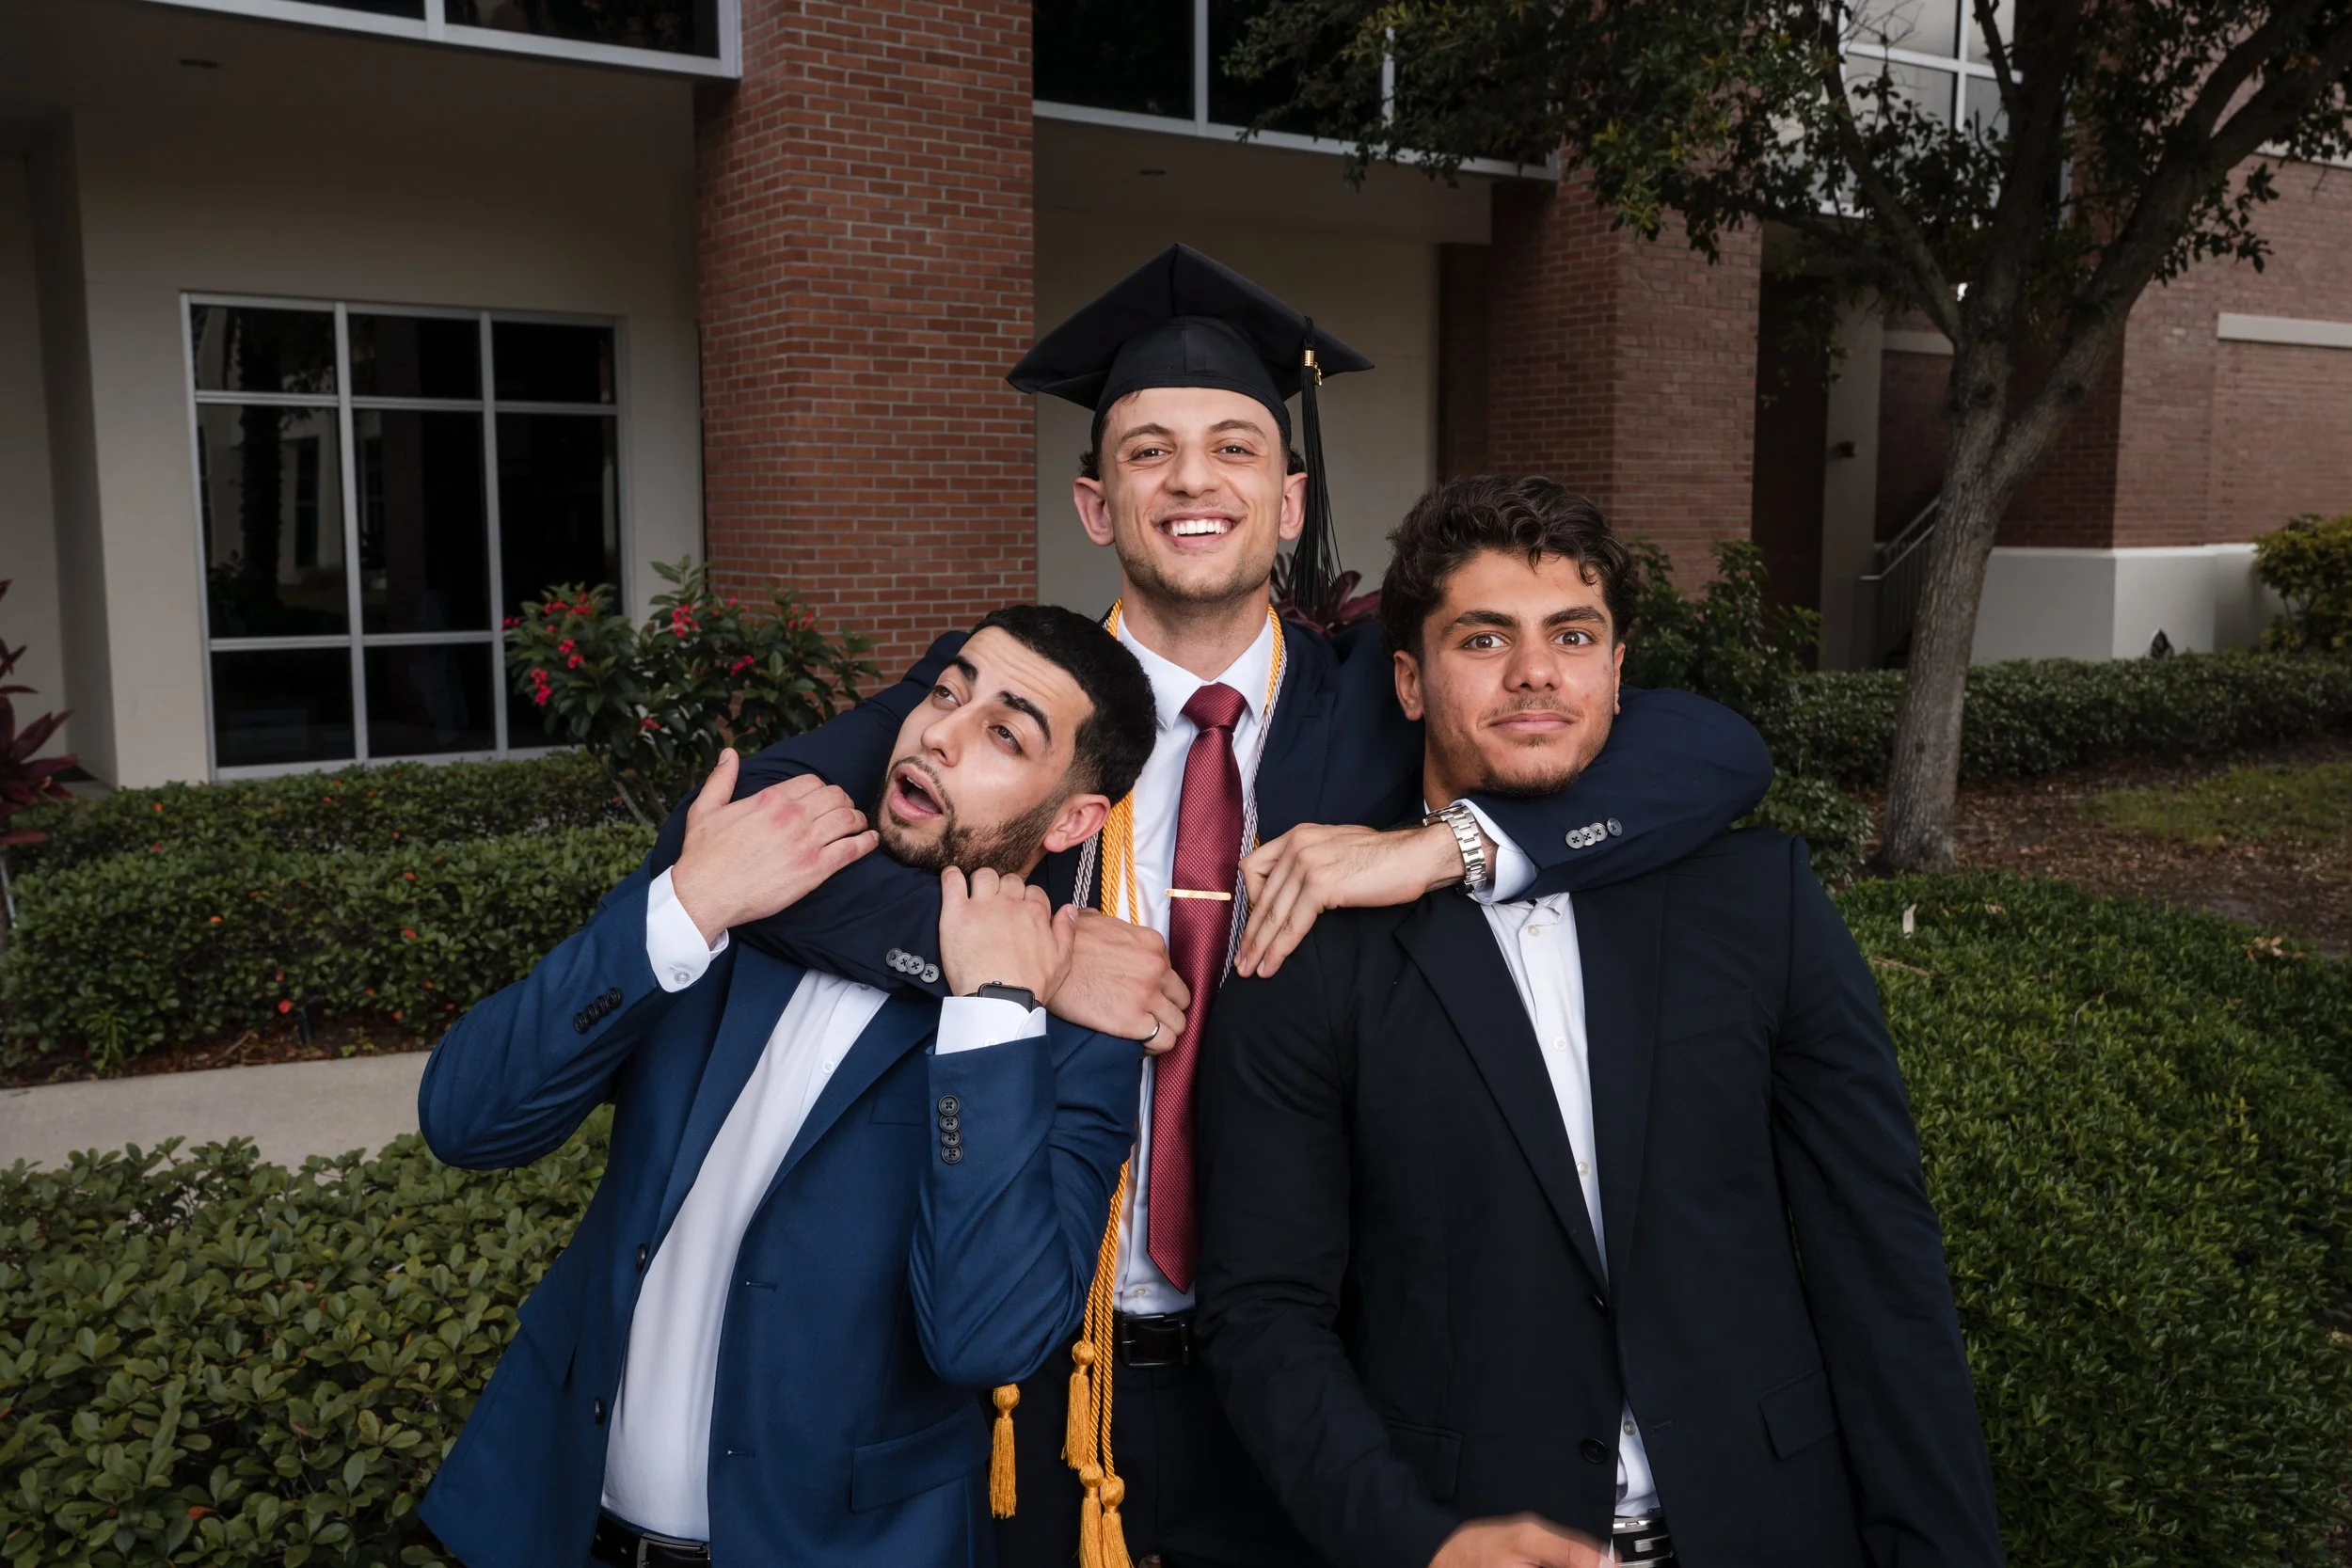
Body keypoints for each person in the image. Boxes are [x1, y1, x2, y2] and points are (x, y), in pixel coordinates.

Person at [644, 246, 1776, 1568]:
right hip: (1029, 1364)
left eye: (1235, 446)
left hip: (1308, 1362)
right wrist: (1011, 963)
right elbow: (726, 837)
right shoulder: (1010, 706)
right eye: (1149, 451)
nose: (1193, 480)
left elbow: (1711, 750)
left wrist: (1442, 847)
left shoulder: (1378, 708)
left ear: (1290, 501)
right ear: (1093, 501)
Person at [1194, 475, 2005, 1568]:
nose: (1535, 670)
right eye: (1483, 638)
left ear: (1618, 673)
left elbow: (1881, 1254)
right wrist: (1415, 1544)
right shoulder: (1303, 946)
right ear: (1408, 680)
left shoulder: (1755, 898)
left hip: (1773, 1527)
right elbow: (1263, 1314)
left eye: (1571, 635)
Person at [415, 607, 1164, 1568]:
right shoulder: (747, 893)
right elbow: (466, 1116)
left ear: (1072, 819)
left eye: (1004, 733)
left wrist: (993, 1013)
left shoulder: (1067, 1033)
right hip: (553, 1528)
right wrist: (688, 903)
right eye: (945, 691)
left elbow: (985, 1335)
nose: (939, 730)